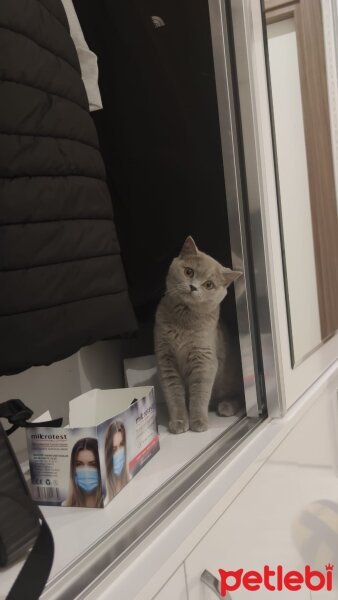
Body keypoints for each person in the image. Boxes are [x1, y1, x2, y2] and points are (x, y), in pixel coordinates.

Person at [64, 438, 104, 508]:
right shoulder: (65, 506)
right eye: (79, 464)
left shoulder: (109, 501)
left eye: (93, 464)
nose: (86, 471)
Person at [105, 421, 130, 499]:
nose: (119, 451)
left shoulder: (131, 479)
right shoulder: (106, 498)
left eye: (121, 445)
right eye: (114, 449)